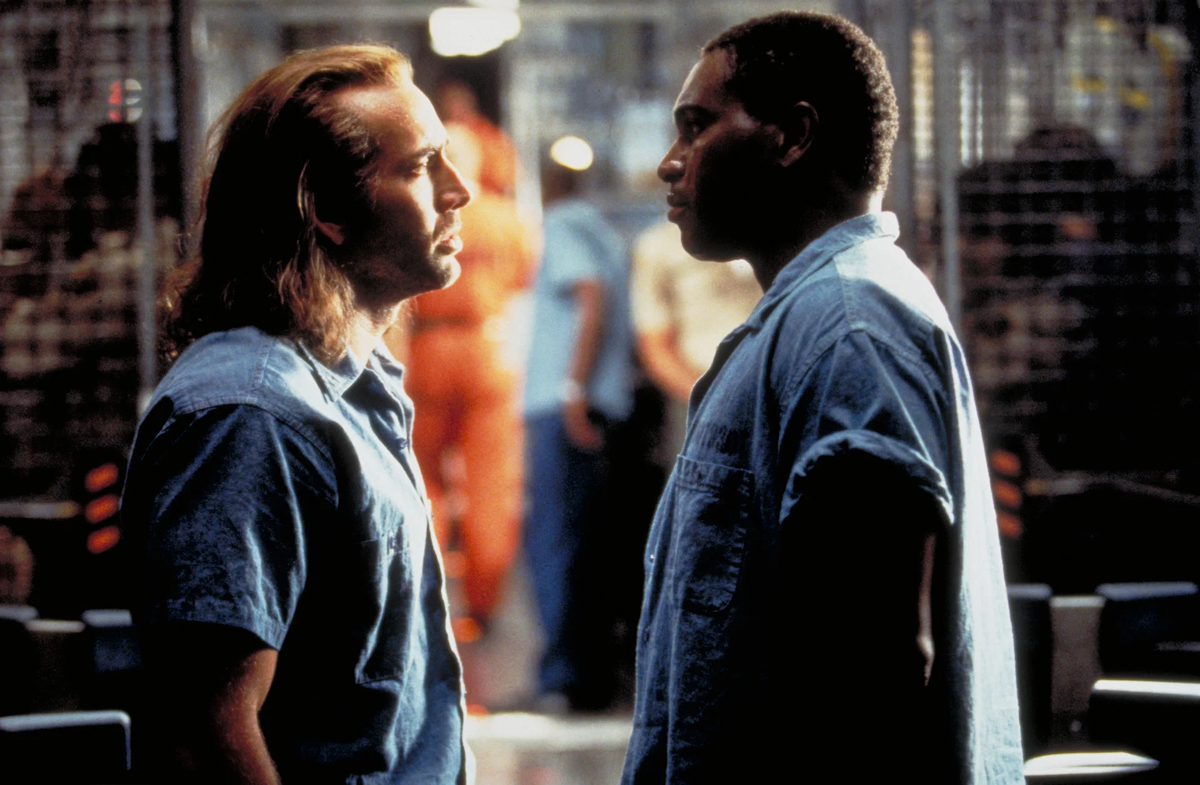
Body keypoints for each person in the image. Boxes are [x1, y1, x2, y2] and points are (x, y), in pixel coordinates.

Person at [622, 12, 1024, 783]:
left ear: (792, 135)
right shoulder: (816, 316)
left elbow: (874, 674)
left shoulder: (848, 329)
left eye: (697, 127)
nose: (670, 164)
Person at [121, 45, 474, 784]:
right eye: (420, 167)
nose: (459, 190)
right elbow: (204, 736)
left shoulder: (344, 387)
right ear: (329, 212)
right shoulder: (252, 414)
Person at [402, 122, 537, 633]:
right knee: (490, 485)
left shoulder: (420, 215)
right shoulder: (507, 219)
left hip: (427, 351)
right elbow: (523, 280)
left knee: (423, 480)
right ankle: (483, 606)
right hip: (489, 351)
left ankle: (424, 601)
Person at [523, 151, 634, 712]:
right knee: (589, 545)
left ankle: (564, 679)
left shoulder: (564, 225)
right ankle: (589, 678)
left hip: (564, 405)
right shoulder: (606, 234)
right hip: (601, 402)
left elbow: (590, 296)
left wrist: (572, 391)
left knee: (556, 540)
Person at [630, 219, 759, 461]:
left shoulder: (774, 229)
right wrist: (715, 401)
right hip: (702, 401)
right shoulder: (660, 245)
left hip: (778, 398)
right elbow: (655, 347)